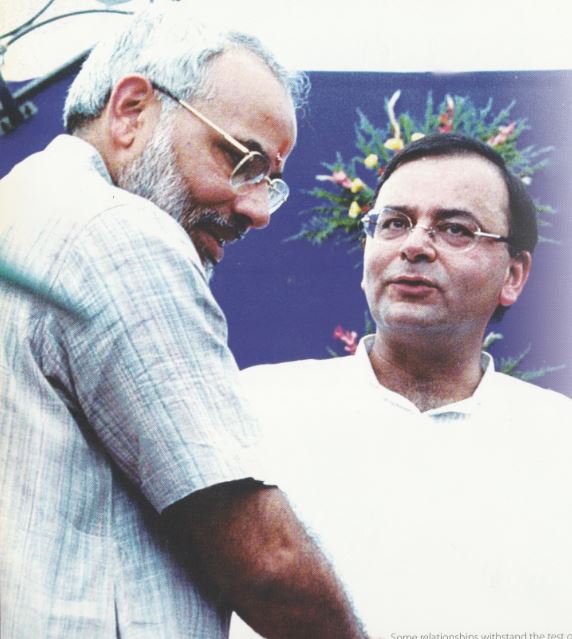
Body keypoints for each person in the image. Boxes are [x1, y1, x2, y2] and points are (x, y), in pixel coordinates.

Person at [0, 6, 367, 639]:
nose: (258, 211)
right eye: (243, 160)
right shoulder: (117, 230)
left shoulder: (21, 207)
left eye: (270, 181)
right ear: (131, 111)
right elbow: (268, 565)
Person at [234, 133, 572, 637]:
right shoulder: (258, 408)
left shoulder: (558, 437)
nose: (413, 246)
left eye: (455, 229)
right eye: (394, 223)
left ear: (514, 275)